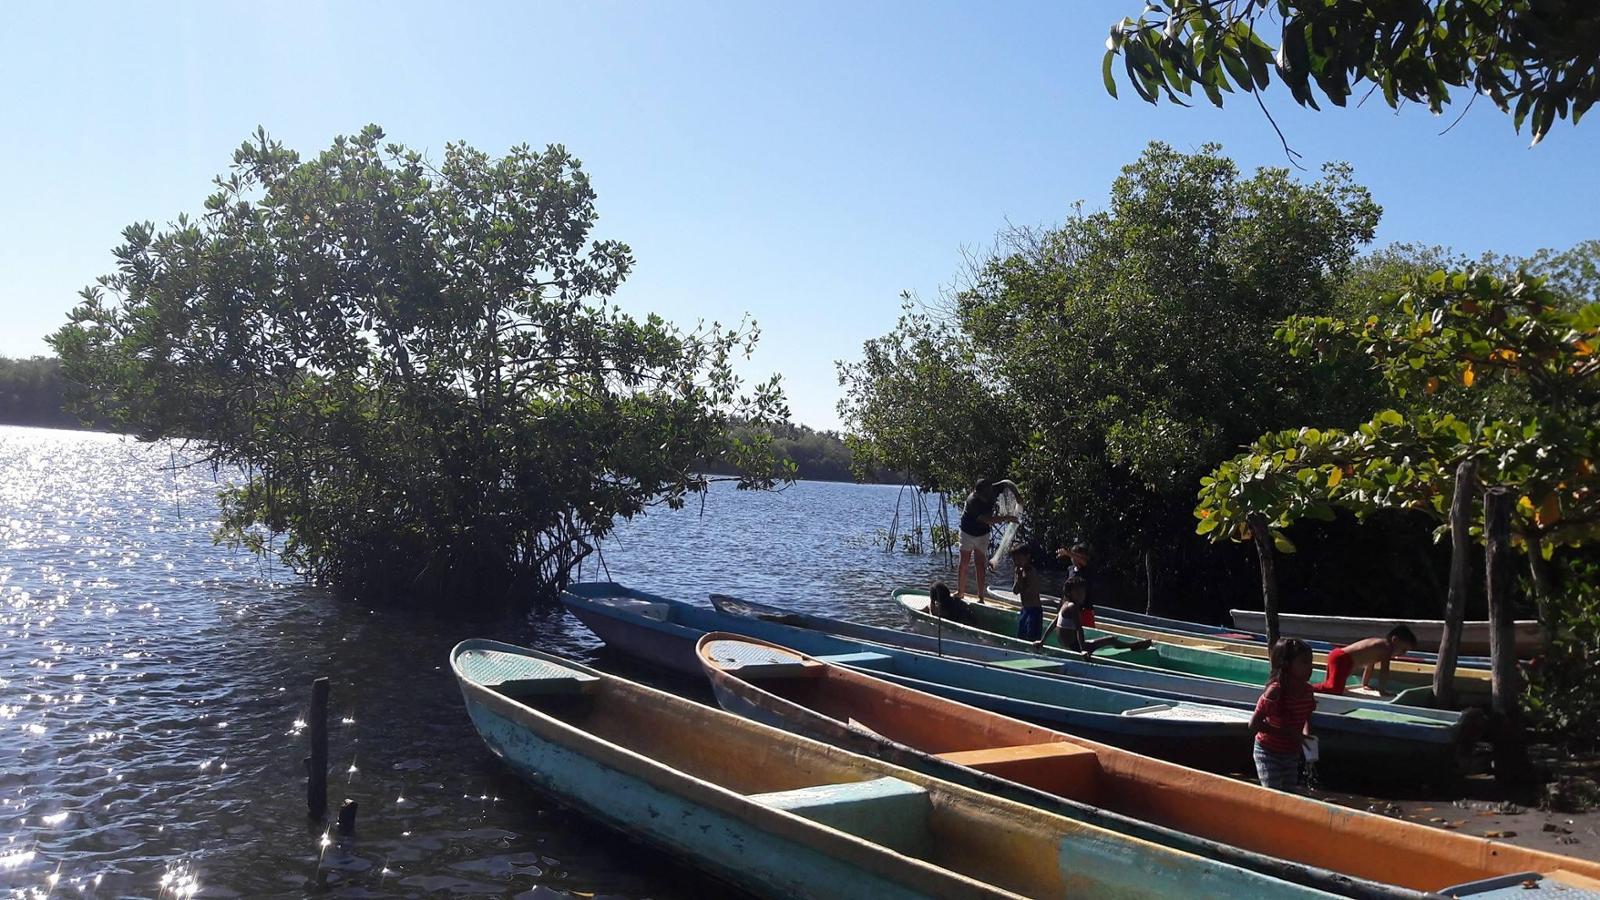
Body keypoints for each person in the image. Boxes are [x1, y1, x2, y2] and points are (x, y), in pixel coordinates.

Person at [1251, 638, 1318, 792]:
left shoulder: (1308, 691)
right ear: (1287, 665)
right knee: (1273, 792)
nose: (1310, 667)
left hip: (1291, 753)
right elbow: (1254, 724)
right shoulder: (1275, 691)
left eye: (1311, 662)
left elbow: (1306, 716)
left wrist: (1306, 736)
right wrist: (1288, 733)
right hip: (1268, 752)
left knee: (1290, 793)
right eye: (1304, 662)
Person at [1037, 574, 1152, 655]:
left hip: (1068, 645)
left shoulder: (1065, 604)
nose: (1082, 595)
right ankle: (1133, 646)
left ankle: (1132, 646)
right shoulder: (1072, 607)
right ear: (1070, 593)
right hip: (1074, 647)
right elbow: (1079, 629)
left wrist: (1042, 641)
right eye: (1078, 592)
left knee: (1107, 640)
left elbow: (1054, 623)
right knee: (1110, 639)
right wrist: (1083, 650)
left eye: (1083, 592)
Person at [954, 479, 1019, 601]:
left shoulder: (993, 489)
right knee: (964, 563)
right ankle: (960, 592)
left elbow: (1008, 483)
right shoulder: (972, 501)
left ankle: (981, 597)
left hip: (983, 533)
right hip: (967, 532)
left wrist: (1018, 497)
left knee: (980, 564)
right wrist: (1007, 518)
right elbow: (987, 520)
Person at [1313, 626, 1419, 695]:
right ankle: (1308, 688)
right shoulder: (1386, 648)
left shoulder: (1379, 646)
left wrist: (1365, 684)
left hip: (1338, 655)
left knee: (1330, 687)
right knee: (1334, 689)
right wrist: (1382, 691)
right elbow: (1384, 671)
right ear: (1395, 640)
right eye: (1403, 649)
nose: (1403, 653)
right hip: (1342, 659)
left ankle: (1312, 690)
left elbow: (1369, 666)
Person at [1053, 543, 1102, 627]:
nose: (1075, 559)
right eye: (1073, 556)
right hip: (1072, 607)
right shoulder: (1070, 569)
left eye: (1077, 556)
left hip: (1085, 608)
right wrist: (1061, 605)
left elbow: (1083, 561)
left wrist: (1068, 553)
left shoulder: (1088, 568)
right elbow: (1066, 589)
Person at [1009, 545, 1045, 641]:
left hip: (1034, 610)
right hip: (1025, 609)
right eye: (1014, 559)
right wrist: (1018, 576)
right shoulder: (1019, 571)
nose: (1017, 562)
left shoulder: (1031, 572)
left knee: (1031, 638)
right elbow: (1015, 591)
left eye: (1019, 559)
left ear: (1027, 556)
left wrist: (1020, 578)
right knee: (1021, 637)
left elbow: (1027, 591)